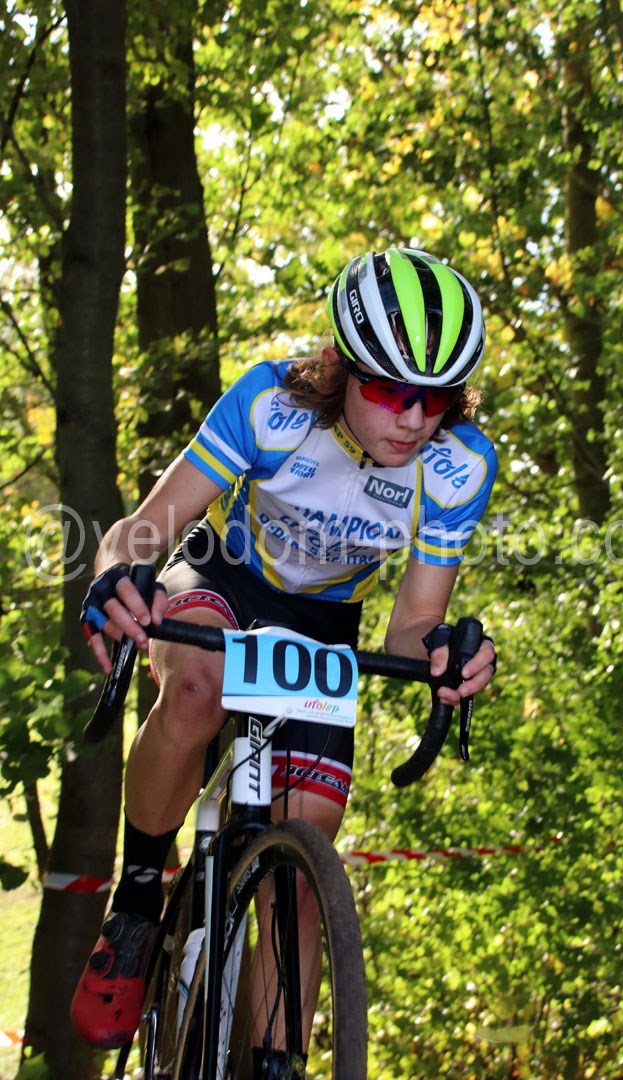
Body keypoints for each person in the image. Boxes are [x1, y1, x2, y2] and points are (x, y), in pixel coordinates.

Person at [70, 247, 498, 1069]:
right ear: (339, 366)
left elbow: (413, 623)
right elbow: (145, 528)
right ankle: (136, 901)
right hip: (223, 575)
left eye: (437, 397)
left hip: (324, 625)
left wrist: (445, 653)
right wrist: (115, 574)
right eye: (391, 390)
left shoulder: (460, 466)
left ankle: (275, 1061)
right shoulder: (272, 405)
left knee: (301, 873)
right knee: (194, 689)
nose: (415, 418)